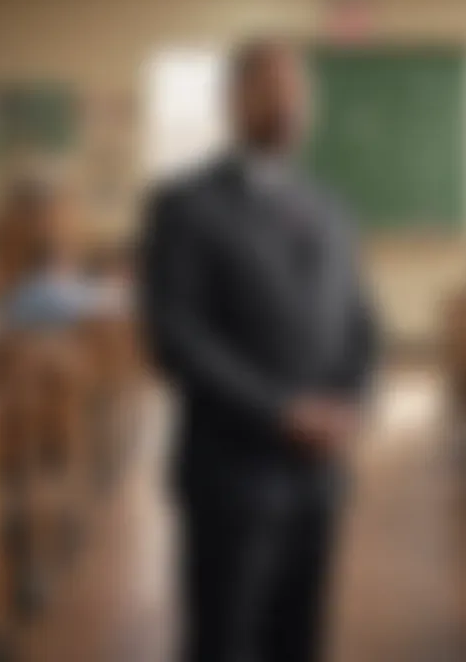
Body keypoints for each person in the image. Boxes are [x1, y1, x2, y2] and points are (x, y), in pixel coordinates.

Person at [138, 39, 377, 662]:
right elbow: (176, 338)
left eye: (300, 91)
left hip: (319, 477)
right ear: (235, 99)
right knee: (226, 643)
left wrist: (353, 403)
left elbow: (361, 323)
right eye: (271, 88)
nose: (289, 104)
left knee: (299, 642)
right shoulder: (186, 205)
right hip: (231, 476)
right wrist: (282, 412)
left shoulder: (331, 209)